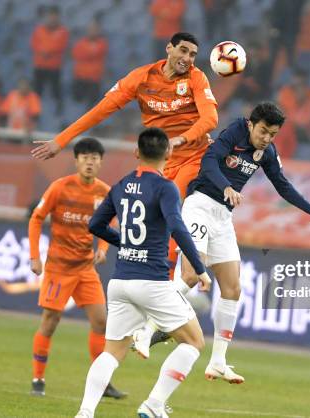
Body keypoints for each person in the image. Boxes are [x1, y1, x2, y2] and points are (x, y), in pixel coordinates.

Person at [133, 102, 310, 384]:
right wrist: (227, 187)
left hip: (222, 217)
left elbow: (282, 184)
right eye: (263, 131)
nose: (267, 138)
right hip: (200, 206)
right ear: (250, 124)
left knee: (233, 288)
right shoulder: (234, 132)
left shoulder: (266, 152)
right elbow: (208, 162)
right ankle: (145, 330)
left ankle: (218, 362)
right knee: (191, 275)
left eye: (273, 134)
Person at [32, 31, 218, 276]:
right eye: (183, 50)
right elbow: (100, 111)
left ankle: (171, 282)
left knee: (172, 212)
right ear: (169, 48)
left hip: (195, 157)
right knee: (151, 220)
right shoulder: (141, 78)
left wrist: (181, 139)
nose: (188, 58)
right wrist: (61, 140)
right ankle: (160, 278)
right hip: (161, 163)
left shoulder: (197, 78)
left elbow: (211, 118)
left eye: (193, 54)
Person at [74, 127, 211, 418]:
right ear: (169, 153)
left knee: (112, 353)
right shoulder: (166, 187)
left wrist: (123, 241)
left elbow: (95, 225)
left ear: (137, 153)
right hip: (152, 282)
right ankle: (153, 404)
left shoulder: (120, 185)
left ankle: (85, 412)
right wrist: (199, 268)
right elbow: (176, 226)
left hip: (120, 280)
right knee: (194, 342)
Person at [28, 138, 125, 399]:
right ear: (77, 160)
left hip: (85, 268)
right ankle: (38, 378)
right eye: (85, 157)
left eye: (94, 158)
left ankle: (101, 383)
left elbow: (109, 222)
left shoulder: (105, 192)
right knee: (50, 322)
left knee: (101, 322)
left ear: (101, 162)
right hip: (59, 267)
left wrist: (103, 249)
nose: (90, 162)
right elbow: (37, 219)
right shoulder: (60, 187)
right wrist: (35, 257)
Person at [30, 6, 68, 114]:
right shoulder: (39, 29)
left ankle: (58, 111)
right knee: (37, 91)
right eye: (50, 16)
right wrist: (42, 50)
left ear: (58, 17)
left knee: (56, 91)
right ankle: (34, 112)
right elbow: (34, 43)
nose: (52, 18)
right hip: (40, 65)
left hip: (54, 66)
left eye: (54, 16)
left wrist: (47, 51)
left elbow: (61, 45)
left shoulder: (63, 31)